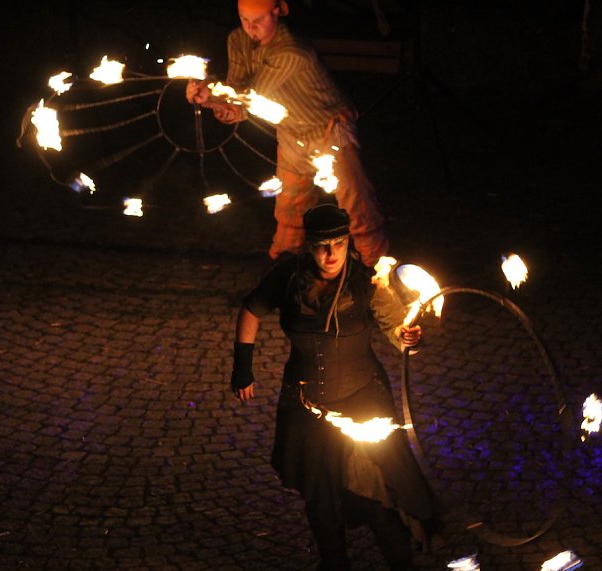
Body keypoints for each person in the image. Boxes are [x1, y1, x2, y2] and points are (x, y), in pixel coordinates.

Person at [230, 204, 441, 570]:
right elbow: (251, 309)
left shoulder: (367, 282)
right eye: (321, 246)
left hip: (363, 401)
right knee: (319, 496)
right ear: (309, 246)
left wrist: (408, 338)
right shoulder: (288, 277)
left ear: (348, 243)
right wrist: (242, 368)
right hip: (305, 404)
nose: (330, 254)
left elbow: (396, 329)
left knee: (376, 493)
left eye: (338, 245)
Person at [186, 0, 390, 267]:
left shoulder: (293, 52)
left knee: (356, 205)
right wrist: (208, 96)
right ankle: (283, 266)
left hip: (329, 129)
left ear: (276, 13)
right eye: (245, 20)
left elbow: (252, 98)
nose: (250, 28)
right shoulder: (237, 40)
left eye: (258, 20)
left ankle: (375, 267)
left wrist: (212, 94)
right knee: (290, 208)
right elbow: (236, 95)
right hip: (291, 132)